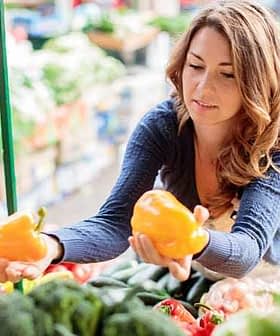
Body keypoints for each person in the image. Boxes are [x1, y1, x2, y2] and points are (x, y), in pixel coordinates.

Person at [1, 0, 280, 294]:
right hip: (195, 274)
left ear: (258, 81)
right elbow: (115, 223)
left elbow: (248, 250)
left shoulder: (273, 144)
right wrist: (49, 245)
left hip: (267, 284)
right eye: (195, 66)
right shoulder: (163, 126)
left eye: (228, 74)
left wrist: (190, 239)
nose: (202, 87)